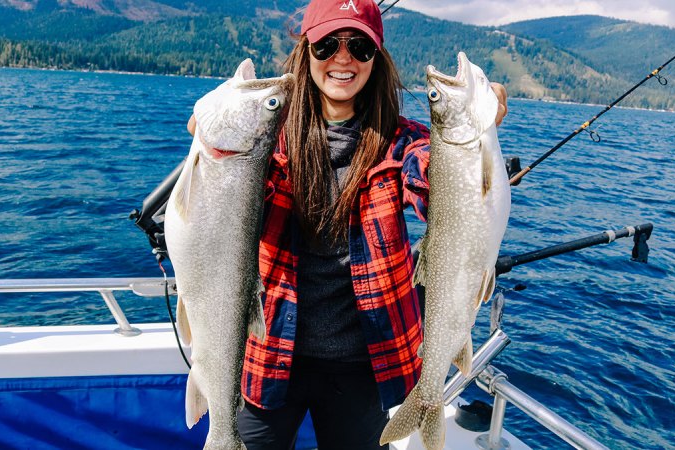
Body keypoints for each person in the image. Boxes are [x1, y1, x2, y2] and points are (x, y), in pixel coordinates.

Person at [187, 0, 508, 448]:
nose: (343, 58)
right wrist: (216, 148)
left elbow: (431, 181)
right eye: (327, 45)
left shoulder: (404, 141)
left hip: (363, 363)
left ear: (377, 59)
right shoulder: (264, 137)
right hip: (271, 353)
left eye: (359, 46)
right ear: (306, 52)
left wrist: (468, 146)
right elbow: (224, 217)